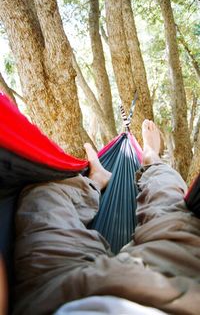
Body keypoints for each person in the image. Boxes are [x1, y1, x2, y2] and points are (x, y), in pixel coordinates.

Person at [13, 120, 200, 315]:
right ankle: (151, 158)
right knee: (167, 195)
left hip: (59, 292)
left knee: (43, 195)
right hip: (175, 282)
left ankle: (95, 182)